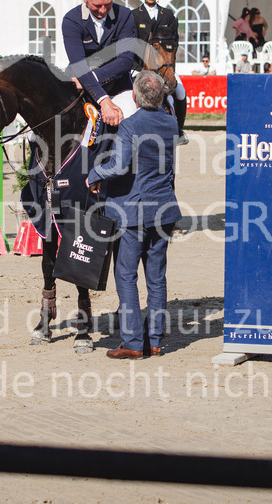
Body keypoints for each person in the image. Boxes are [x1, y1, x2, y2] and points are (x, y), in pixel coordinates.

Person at [87, 70, 181, 359]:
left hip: (134, 210)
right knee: (156, 277)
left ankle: (131, 342)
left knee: (126, 275)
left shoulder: (129, 126)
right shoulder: (172, 123)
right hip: (164, 208)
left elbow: (118, 166)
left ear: (136, 98)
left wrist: (93, 173)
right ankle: (154, 340)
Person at [61, 0, 138, 127]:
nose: (102, 10)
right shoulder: (71, 20)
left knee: (131, 122)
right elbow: (78, 65)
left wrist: (94, 78)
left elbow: (126, 60)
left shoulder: (124, 15)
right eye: (97, 6)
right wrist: (103, 99)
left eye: (107, 4)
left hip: (118, 86)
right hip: (78, 83)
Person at [130, 0, 189, 144]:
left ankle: (179, 131)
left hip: (163, 67)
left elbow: (174, 43)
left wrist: (168, 65)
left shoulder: (168, 15)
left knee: (180, 91)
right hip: (139, 66)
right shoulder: (134, 15)